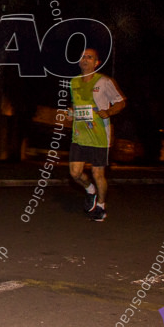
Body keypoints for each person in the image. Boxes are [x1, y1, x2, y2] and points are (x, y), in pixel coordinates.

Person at [68, 48, 126, 222]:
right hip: (79, 135)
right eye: (83, 56)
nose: (85, 59)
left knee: (98, 173)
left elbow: (121, 102)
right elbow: (75, 104)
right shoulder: (73, 82)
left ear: (96, 63)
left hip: (99, 136)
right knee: (75, 173)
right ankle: (90, 189)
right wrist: (72, 112)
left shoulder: (105, 81)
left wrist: (109, 112)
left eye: (89, 57)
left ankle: (101, 205)